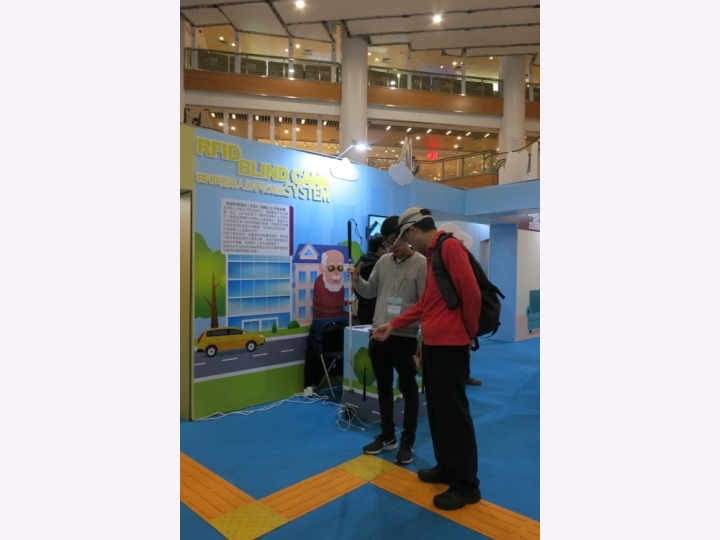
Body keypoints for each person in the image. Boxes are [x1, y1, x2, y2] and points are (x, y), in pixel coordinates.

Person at [371, 207, 482, 511]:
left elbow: (471, 294)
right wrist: (393, 325)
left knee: (454, 415)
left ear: (413, 230)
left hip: (450, 346)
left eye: (405, 237)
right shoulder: (433, 254)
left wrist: (468, 334)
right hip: (433, 345)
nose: (406, 243)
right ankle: (446, 466)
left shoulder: (449, 248)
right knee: (438, 412)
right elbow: (426, 304)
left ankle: (466, 485)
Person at [349, 216, 426, 465]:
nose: (392, 246)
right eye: (387, 242)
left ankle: (408, 441)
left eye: (395, 240)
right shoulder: (383, 261)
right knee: (383, 388)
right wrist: (356, 280)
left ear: (407, 236)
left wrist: (422, 340)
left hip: (404, 336)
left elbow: (426, 305)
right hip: (379, 334)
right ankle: (387, 435)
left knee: (409, 390)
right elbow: (370, 291)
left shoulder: (422, 264)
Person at [353, 234, 387, 325]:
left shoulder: (360, 262)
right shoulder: (379, 265)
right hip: (376, 309)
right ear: (380, 249)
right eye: (387, 248)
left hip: (362, 309)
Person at [312, 249, 348, 320]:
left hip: (338, 323)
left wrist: (350, 314)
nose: (336, 273)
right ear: (322, 268)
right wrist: (347, 302)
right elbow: (327, 302)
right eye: (331, 268)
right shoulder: (319, 282)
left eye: (340, 268)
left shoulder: (340, 284)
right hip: (322, 322)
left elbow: (339, 310)